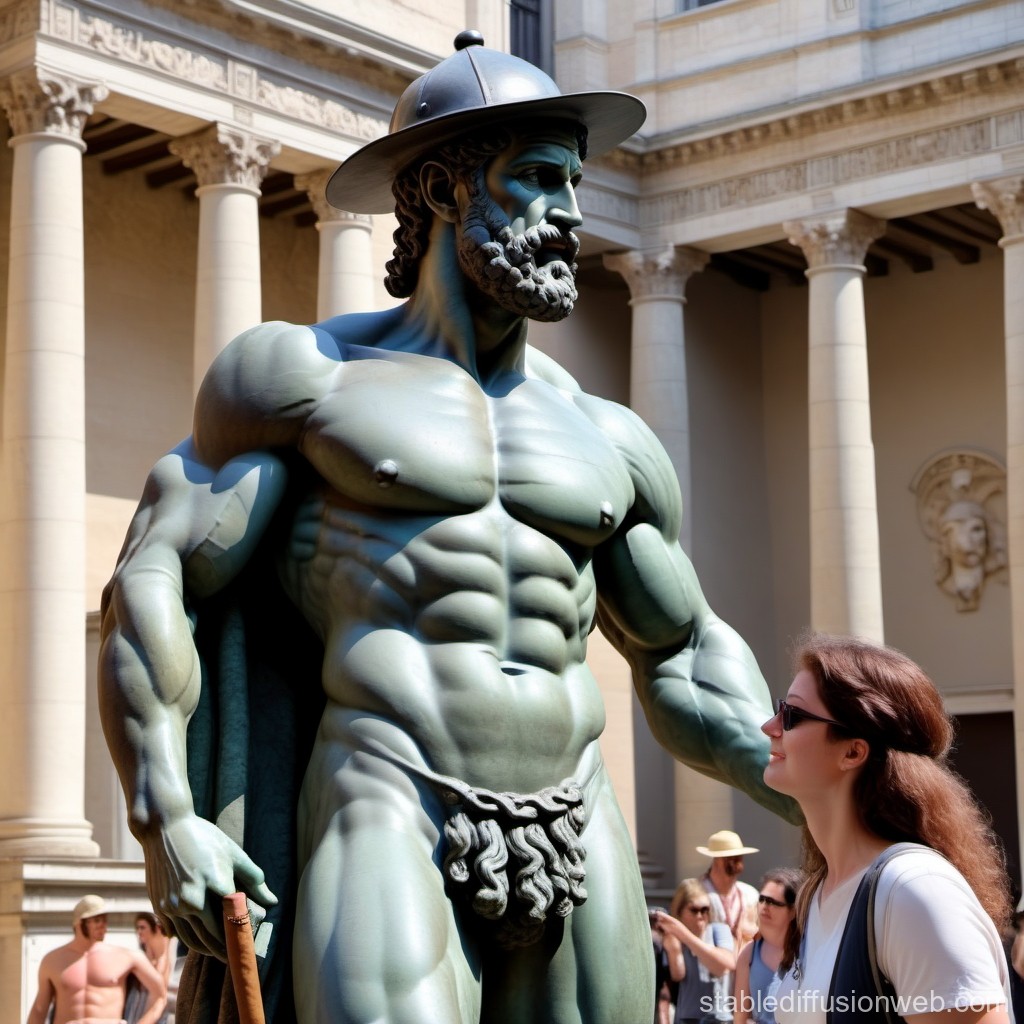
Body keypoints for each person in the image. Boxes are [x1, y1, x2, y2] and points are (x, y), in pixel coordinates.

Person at [98, 31, 799, 1024]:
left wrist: (799, 780)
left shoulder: (607, 435)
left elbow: (680, 650)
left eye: (575, 183)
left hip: (578, 812)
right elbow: (155, 581)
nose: (571, 214)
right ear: (440, 190)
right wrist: (166, 816)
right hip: (389, 794)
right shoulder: (304, 380)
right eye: (539, 180)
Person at [762, 633, 1012, 1024]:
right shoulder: (816, 893)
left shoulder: (914, 890)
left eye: (791, 715)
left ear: (853, 751)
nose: (769, 726)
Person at [25, 895, 166, 1024]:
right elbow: (39, 1010)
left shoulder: (126, 956)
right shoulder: (52, 960)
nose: (103, 925)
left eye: (105, 920)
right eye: (97, 920)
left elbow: (160, 995)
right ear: (79, 923)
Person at [652, 879, 736, 1023]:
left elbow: (724, 966)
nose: (700, 915)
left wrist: (684, 935)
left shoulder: (718, 930)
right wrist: (674, 948)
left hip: (719, 1018)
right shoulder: (673, 937)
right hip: (687, 1018)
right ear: (680, 911)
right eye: (694, 910)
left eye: (705, 910)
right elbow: (678, 974)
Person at [733, 868, 802, 1024]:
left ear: (792, 911)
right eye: (762, 899)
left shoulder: (806, 952)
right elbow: (740, 1017)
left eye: (772, 902)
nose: (764, 906)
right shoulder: (749, 953)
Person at [698, 830, 761, 946]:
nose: (736, 861)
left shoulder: (750, 895)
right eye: (729, 857)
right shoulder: (697, 892)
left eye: (739, 856)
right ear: (716, 859)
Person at [125, 913, 176, 1024]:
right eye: (138, 928)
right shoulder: (142, 957)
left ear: (157, 928)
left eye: (142, 927)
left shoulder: (166, 957)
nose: (139, 931)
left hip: (157, 1012)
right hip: (138, 1009)